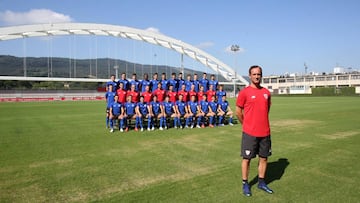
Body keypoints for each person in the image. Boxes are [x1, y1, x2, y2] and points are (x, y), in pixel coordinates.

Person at [235, 65, 273, 197]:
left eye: (259, 74)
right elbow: (238, 112)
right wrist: (246, 124)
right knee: (247, 159)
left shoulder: (266, 93)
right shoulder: (244, 92)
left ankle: (261, 182)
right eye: (254, 74)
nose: (257, 76)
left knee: (264, 158)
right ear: (250, 76)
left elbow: (266, 110)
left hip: (265, 132)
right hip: (249, 133)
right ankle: (245, 183)